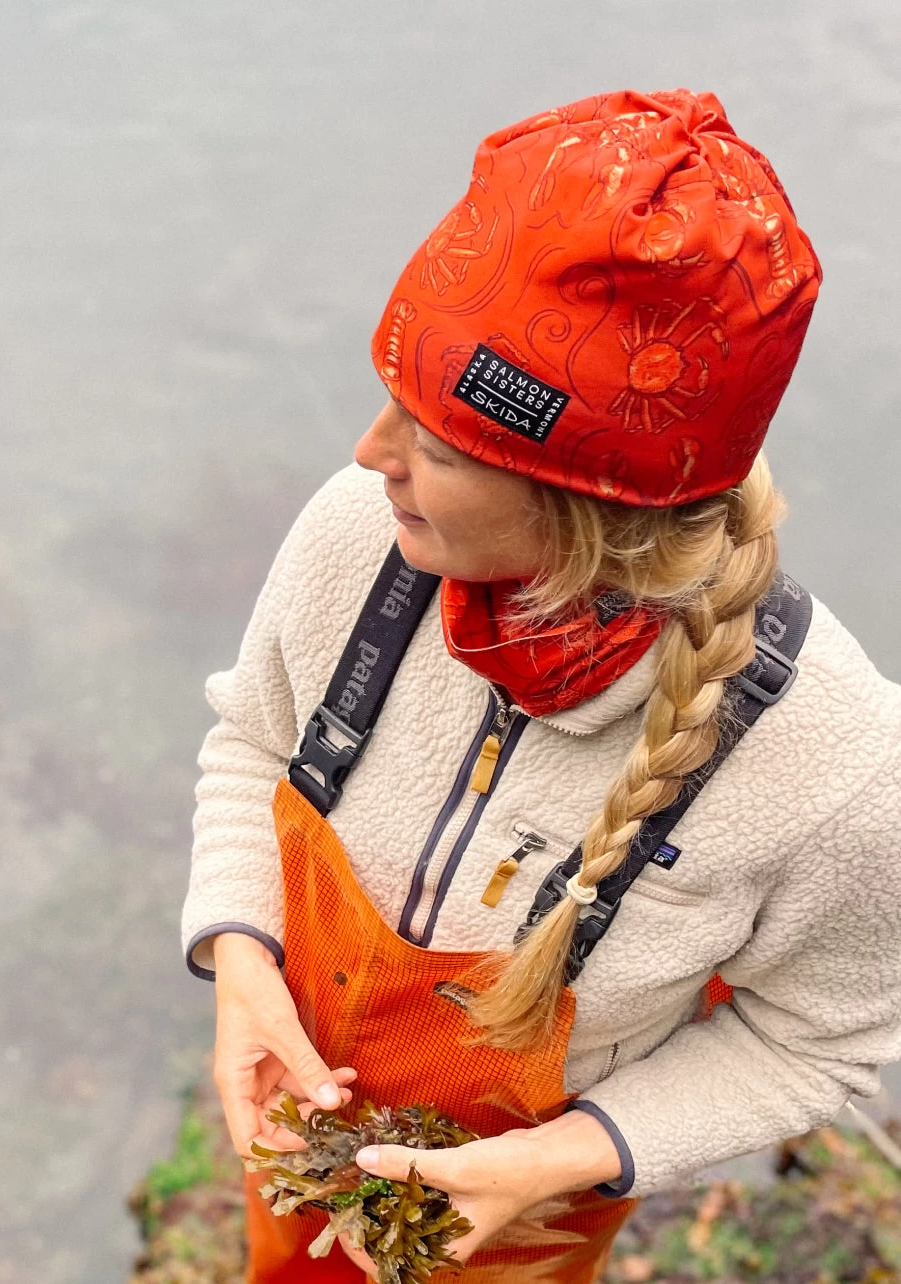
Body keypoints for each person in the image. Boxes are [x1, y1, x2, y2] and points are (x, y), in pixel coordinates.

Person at [180, 88, 901, 1283]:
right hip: (304, 1141)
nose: (371, 455)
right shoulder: (361, 537)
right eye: (394, 397)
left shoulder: (837, 766)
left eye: (441, 443)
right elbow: (255, 741)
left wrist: (552, 1163)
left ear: (593, 503)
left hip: (529, 1229)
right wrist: (242, 963)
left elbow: (812, 1044)